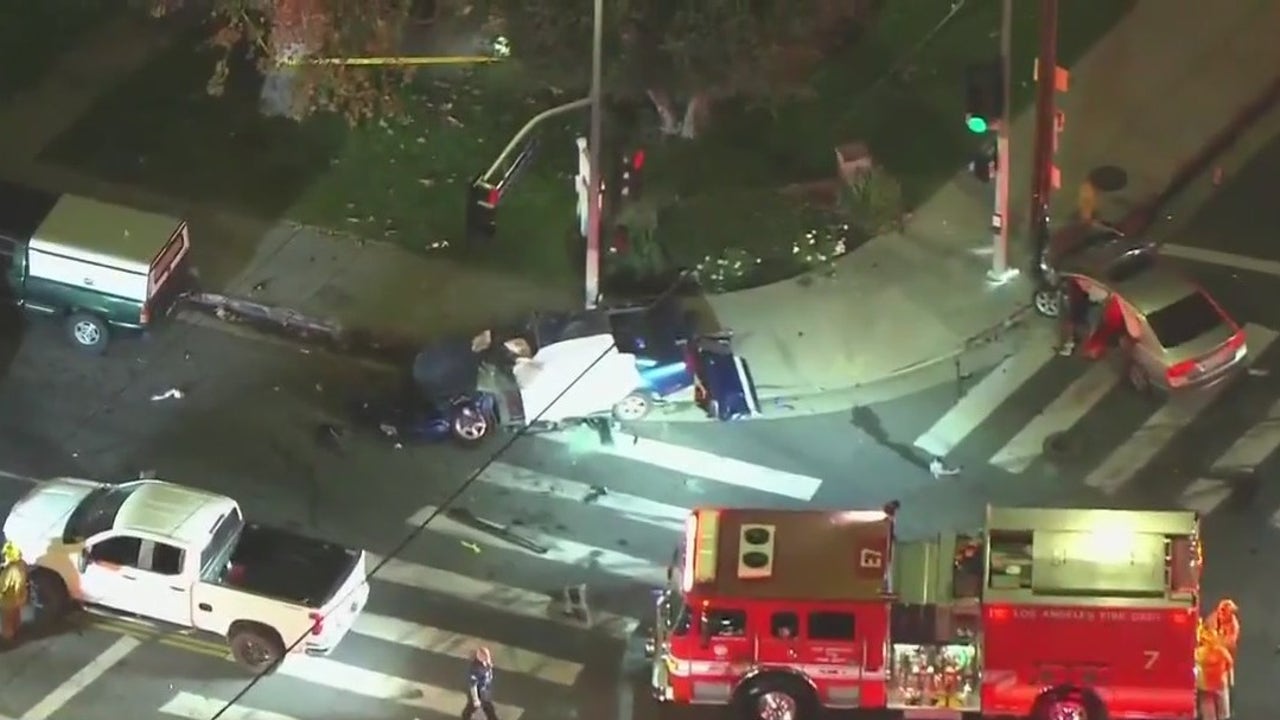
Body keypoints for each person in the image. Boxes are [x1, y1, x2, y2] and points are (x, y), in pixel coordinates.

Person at [0, 540, 30, 644]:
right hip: (20, 597)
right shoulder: (22, 564)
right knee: (16, 616)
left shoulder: (10, 570)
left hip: (8, 600)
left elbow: (3, 586)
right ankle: (17, 632)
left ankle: (7, 639)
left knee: (7, 621)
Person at [463, 646, 499, 720]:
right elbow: (473, 685)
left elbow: (488, 674)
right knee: (474, 707)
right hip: (478, 692)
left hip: (484, 691)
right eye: (484, 656)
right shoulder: (475, 668)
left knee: (488, 709)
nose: (486, 658)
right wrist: (475, 699)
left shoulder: (486, 663)